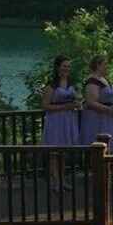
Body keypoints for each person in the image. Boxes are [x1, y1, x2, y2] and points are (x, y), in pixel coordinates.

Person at [41, 55, 80, 188]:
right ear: (58, 67)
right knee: (54, 152)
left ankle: (63, 179)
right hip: (55, 120)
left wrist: (77, 104)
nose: (66, 69)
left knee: (63, 152)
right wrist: (65, 107)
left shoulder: (71, 84)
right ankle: (55, 180)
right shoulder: (51, 86)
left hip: (68, 120)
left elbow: (76, 100)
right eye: (64, 66)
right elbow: (45, 106)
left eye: (68, 66)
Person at [79, 55, 113, 151]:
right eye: (105, 64)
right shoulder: (92, 81)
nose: (107, 66)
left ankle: (108, 165)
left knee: (109, 146)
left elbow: (110, 98)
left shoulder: (105, 80)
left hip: (108, 118)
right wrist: (109, 109)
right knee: (98, 146)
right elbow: (91, 102)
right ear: (98, 65)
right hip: (97, 119)